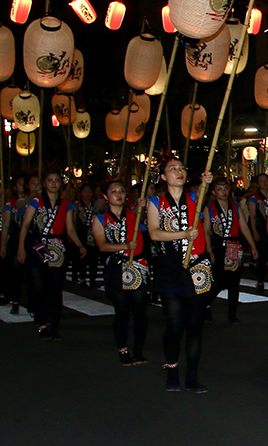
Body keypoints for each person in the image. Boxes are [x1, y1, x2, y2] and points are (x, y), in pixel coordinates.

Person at [146, 158, 213, 392]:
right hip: (169, 267)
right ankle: (172, 367)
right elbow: (154, 233)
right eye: (173, 169)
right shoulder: (155, 202)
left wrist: (205, 183)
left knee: (195, 327)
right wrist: (183, 234)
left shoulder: (195, 198)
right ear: (163, 176)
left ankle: (192, 376)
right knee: (175, 325)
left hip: (197, 268)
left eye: (182, 168)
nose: (179, 172)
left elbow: (204, 193)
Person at [17, 170, 85, 340]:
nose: (53, 183)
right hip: (37, 246)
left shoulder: (66, 204)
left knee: (55, 288)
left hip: (57, 247)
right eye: (50, 180)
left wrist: (80, 245)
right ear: (44, 184)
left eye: (56, 180)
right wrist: (21, 248)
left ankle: (54, 326)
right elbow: (25, 225)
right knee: (39, 286)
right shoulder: (35, 202)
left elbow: (69, 229)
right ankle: (41, 322)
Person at [93, 179, 149, 366]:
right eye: (113, 191)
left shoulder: (133, 214)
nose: (118, 194)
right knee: (122, 312)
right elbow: (102, 245)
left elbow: (146, 230)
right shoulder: (100, 219)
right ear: (105, 196)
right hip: (117, 267)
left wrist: (143, 209)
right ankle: (123, 349)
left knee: (140, 311)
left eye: (122, 191)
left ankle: (139, 350)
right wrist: (125, 246)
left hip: (137, 266)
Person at [204, 177, 258, 324]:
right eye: (220, 189)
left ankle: (232, 314)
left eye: (226, 188)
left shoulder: (234, 206)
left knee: (234, 281)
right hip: (218, 246)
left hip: (234, 246)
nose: (223, 192)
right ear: (214, 192)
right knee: (218, 281)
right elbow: (207, 230)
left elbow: (244, 228)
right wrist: (209, 250)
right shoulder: (209, 208)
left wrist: (252, 245)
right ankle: (206, 305)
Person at [0, 174, 38, 315]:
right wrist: (3, 245)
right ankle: (15, 301)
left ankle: (32, 304)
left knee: (32, 274)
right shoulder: (11, 204)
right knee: (16, 273)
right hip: (16, 239)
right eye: (20, 183)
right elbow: (6, 226)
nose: (22, 186)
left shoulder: (38, 200)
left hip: (32, 239)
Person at [248, 173, 268, 295]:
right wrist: (254, 231)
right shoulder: (254, 199)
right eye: (261, 181)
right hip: (261, 231)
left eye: (266, 180)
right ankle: (260, 281)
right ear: (257, 184)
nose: (265, 183)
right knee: (261, 258)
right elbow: (252, 217)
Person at [71, 182, 99, 289]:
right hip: (81, 232)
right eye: (85, 191)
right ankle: (82, 278)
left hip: (93, 233)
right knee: (82, 256)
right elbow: (73, 220)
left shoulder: (95, 204)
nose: (88, 194)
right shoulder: (76, 204)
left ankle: (92, 279)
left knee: (94, 257)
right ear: (81, 192)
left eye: (90, 191)